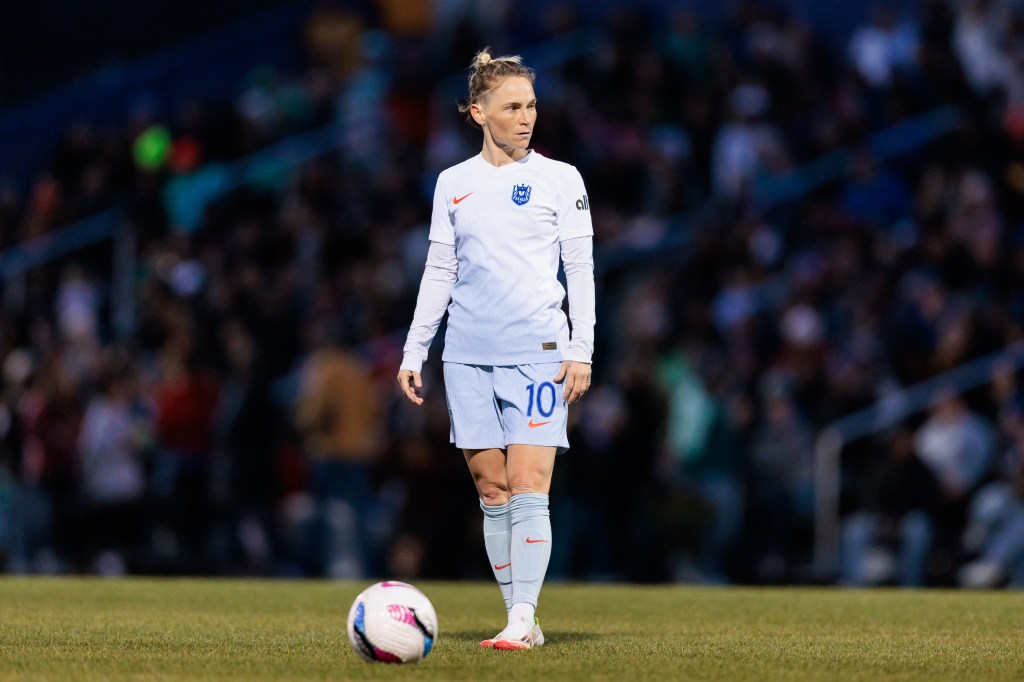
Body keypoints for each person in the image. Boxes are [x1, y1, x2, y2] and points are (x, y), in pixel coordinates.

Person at [397, 48, 595, 651]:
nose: (526, 117)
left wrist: (581, 347)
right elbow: (440, 269)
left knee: (529, 481)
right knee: (492, 489)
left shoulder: (561, 178)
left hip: (540, 353)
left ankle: (522, 616)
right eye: (512, 107)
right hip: (466, 355)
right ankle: (520, 618)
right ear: (478, 112)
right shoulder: (453, 184)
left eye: (531, 105)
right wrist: (414, 350)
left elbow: (579, 268)